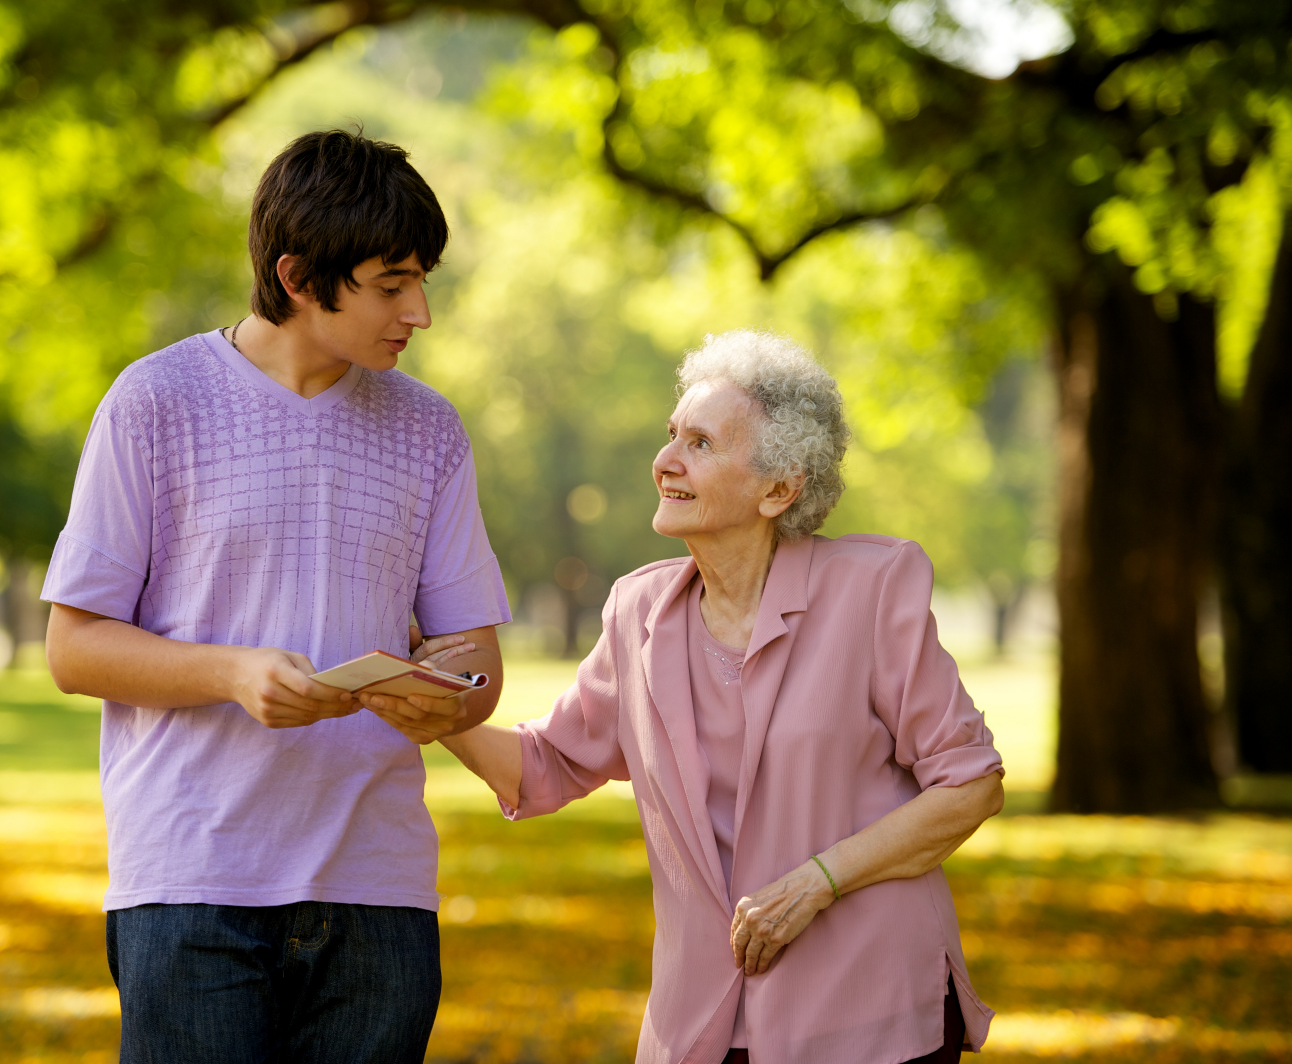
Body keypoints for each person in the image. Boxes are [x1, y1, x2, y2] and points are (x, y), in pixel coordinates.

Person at [40, 129, 511, 1064]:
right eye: (391, 285)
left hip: (379, 895)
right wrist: (232, 673)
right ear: (299, 277)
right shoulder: (153, 403)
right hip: (191, 884)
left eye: (423, 282)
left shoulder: (431, 430)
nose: (418, 312)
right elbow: (74, 647)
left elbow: (477, 665)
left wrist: (440, 694)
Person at [420, 330, 1005, 1064]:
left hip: (868, 1012)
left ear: (779, 488)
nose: (665, 462)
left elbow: (970, 784)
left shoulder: (871, 590)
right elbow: (540, 766)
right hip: (699, 1023)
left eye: (700, 444)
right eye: (672, 436)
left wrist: (819, 880)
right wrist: (431, 702)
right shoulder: (636, 612)